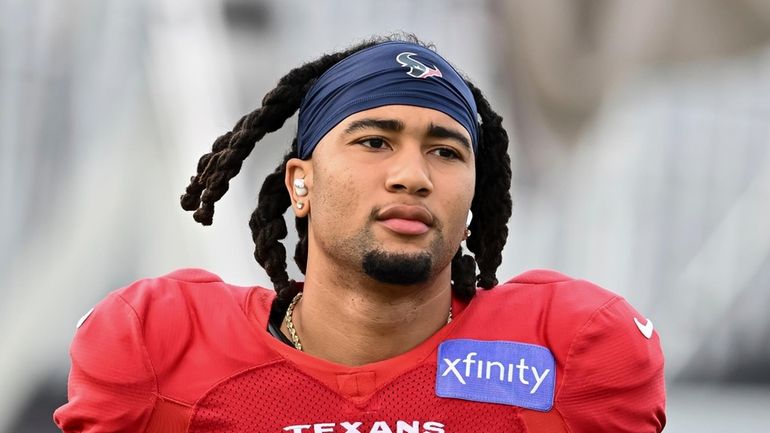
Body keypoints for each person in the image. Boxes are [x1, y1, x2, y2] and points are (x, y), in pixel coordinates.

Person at [54, 34, 666, 432]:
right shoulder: (161, 347)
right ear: (302, 184)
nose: (412, 175)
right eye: (375, 141)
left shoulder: (569, 355)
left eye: (446, 152)